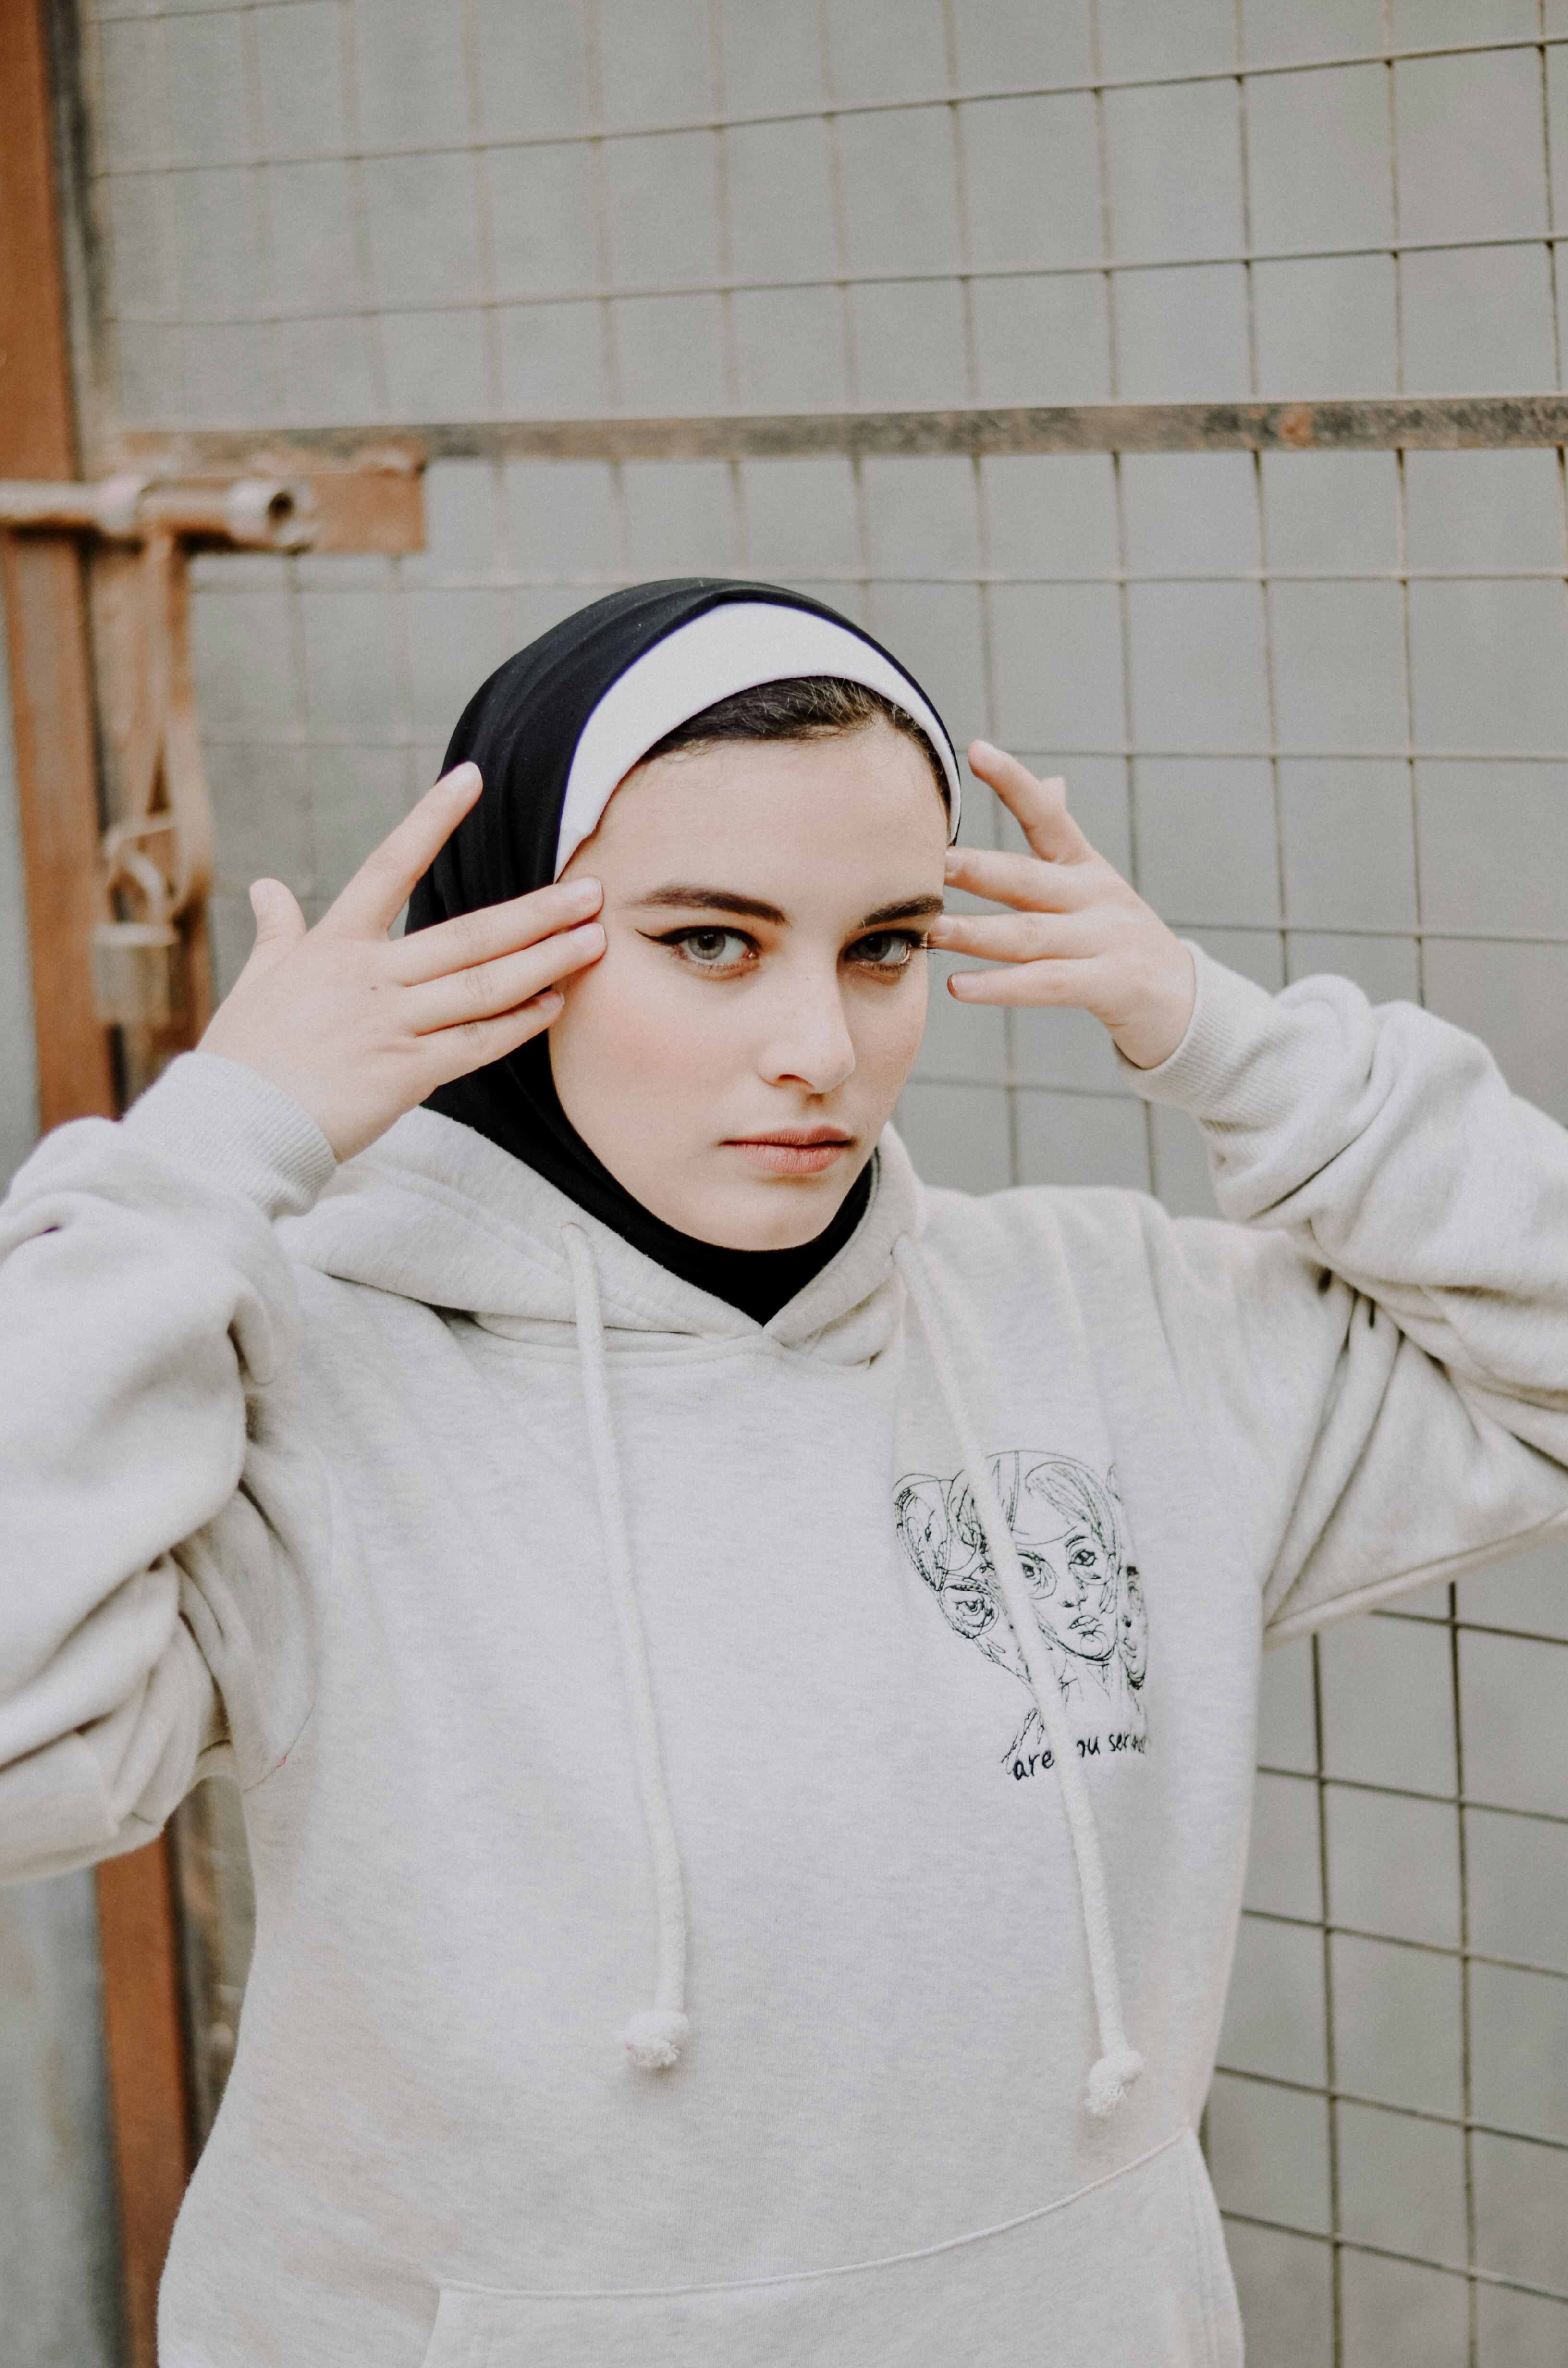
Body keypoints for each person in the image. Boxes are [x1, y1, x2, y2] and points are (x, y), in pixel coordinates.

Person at [3, 577, 1567, 2367]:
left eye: (887, 944)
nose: (821, 1051)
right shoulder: (307, 1384)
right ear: (505, 937)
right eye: (712, 943)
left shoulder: (1109, 1325)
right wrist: (215, 1146)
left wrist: (1226, 1039)